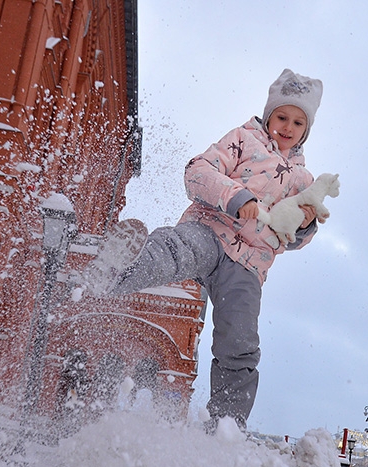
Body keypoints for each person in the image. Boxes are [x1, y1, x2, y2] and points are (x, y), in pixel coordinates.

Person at [82, 69, 327, 430]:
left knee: (240, 340)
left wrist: (305, 224)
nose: (287, 127)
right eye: (281, 116)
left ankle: (226, 426)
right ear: (269, 114)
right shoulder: (244, 139)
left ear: (306, 130)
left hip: (248, 266)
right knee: (175, 249)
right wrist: (235, 196)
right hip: (211, 230)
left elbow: (292, 237)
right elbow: (197, 171)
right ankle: (115, 268)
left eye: (297, 122)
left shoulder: (304, 181)